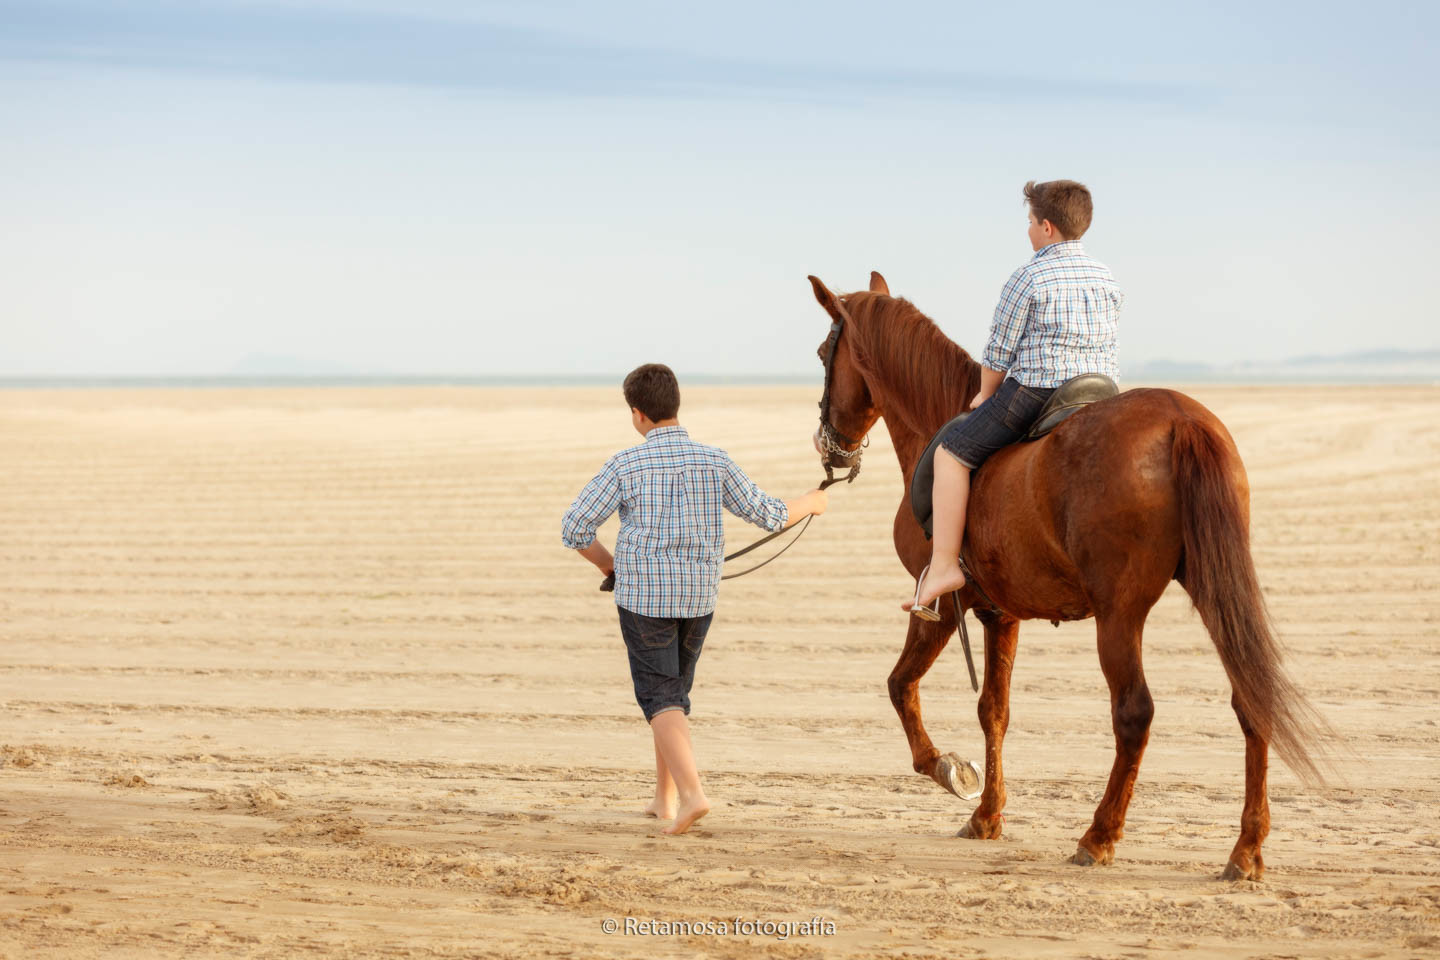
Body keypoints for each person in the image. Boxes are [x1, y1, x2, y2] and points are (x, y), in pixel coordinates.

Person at [561, 363, 829, 834]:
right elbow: (768, 514)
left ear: (637, 414)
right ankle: (664, 798)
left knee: (660, 697)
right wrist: (811, 501)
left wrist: (609, 566)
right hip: (699, 597)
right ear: (676, 405)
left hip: (644, 598)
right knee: (674, 696)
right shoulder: (714, 460)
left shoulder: (625, 464)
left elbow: (575, 528)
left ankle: (691, 795)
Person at [902, 179, 1122, 619]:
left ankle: (944, 566)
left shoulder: (1029, 275)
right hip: (1102, 392)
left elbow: (999, 351)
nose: (1028, 231)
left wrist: (985, 394)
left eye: (1028, 223)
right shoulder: (1106, 275)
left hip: (1038, 391)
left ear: (1046, 227)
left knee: (951, 454)